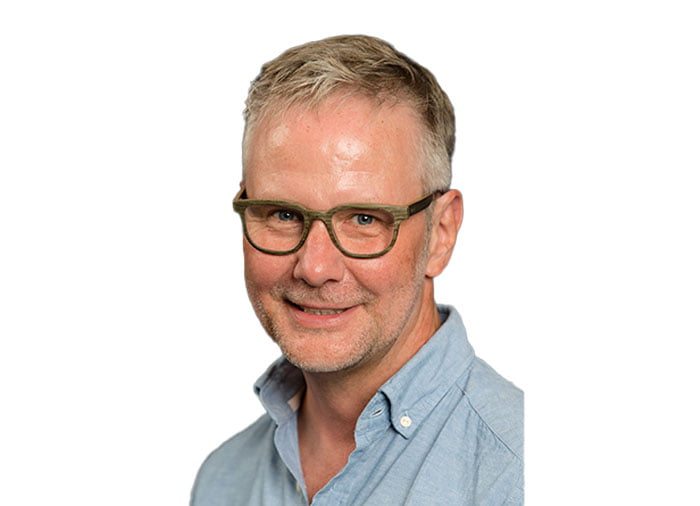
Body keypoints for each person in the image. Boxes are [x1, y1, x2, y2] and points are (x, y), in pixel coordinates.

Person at [191, 34, 523, 505]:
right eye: (283, 214)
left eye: (364, 219)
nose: (314, 268)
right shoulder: (223, 481)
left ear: (441, 232)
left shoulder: (519, 475)